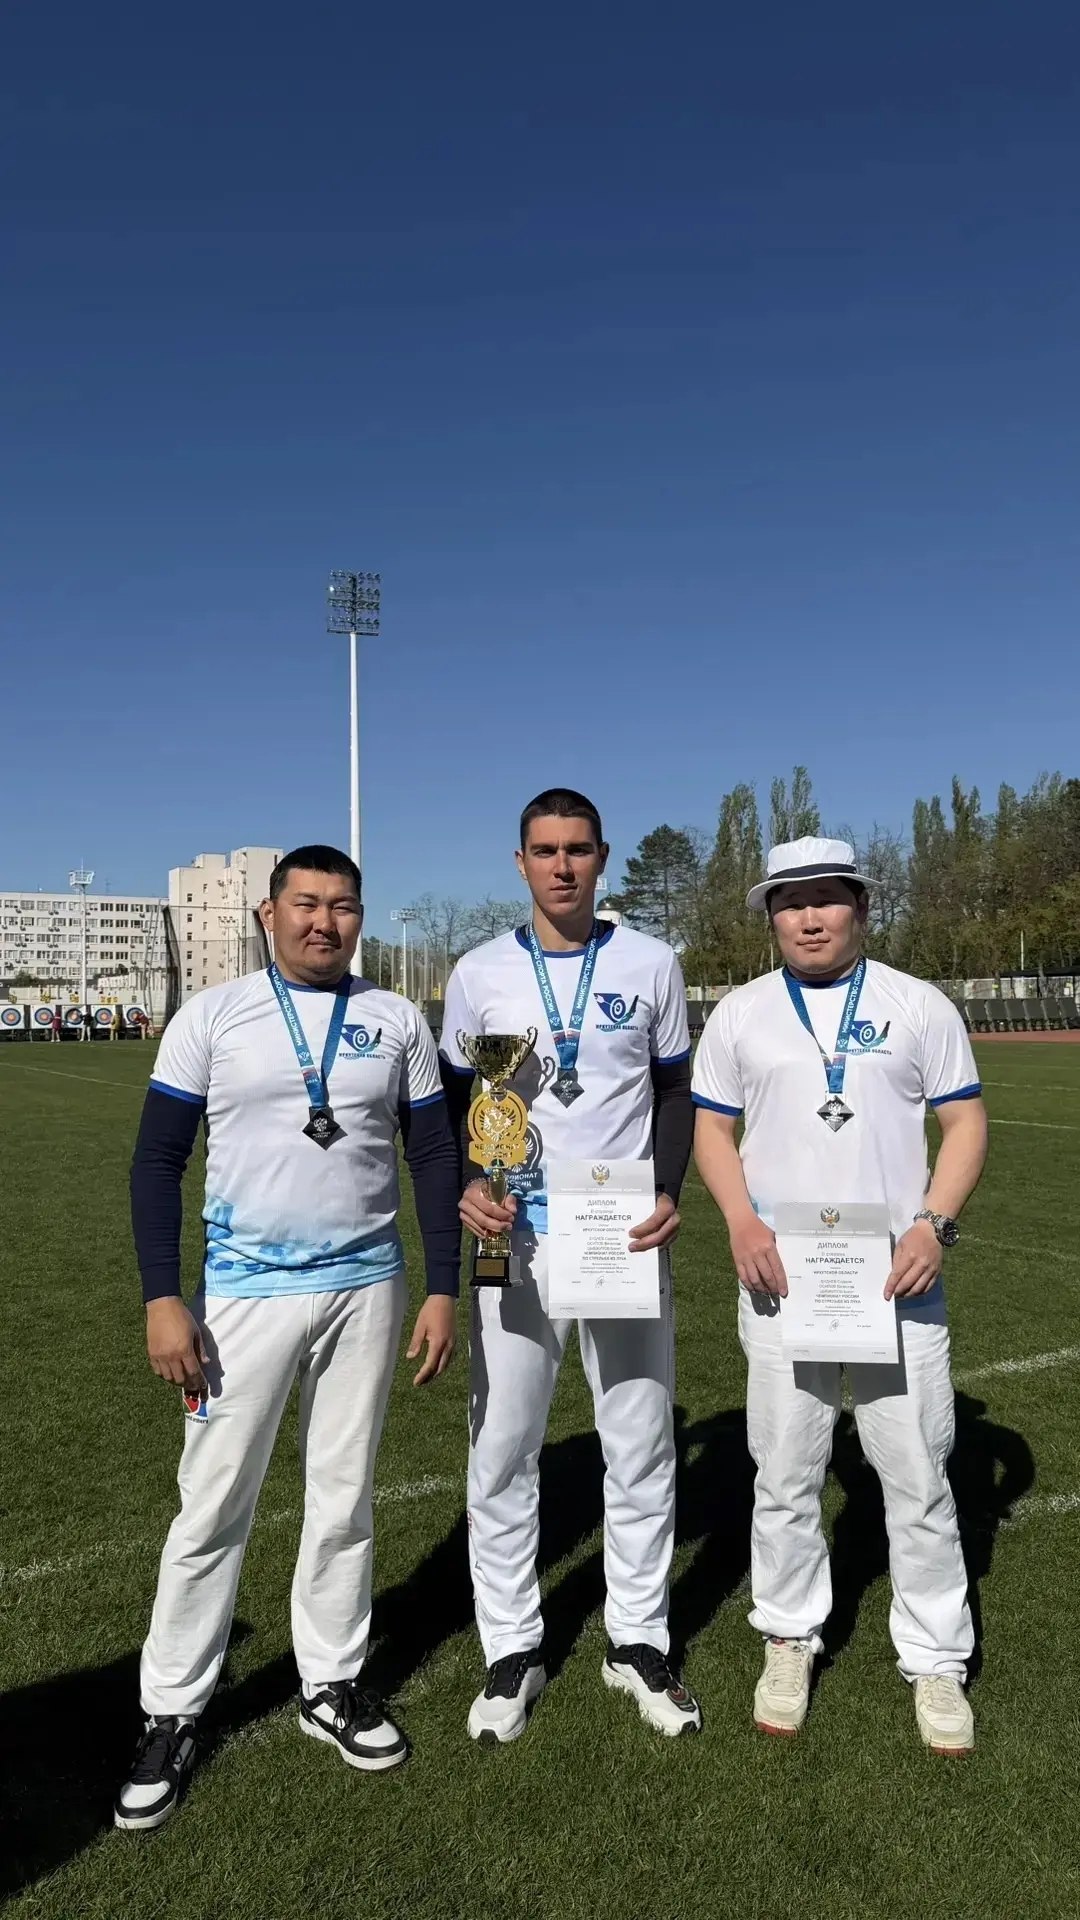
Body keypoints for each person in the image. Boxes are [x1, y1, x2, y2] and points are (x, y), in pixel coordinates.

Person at [115, 845, 461, 1831]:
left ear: (360, 918)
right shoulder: (212, 1017)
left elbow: (435, 1153)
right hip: (240, 1299)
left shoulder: (397, 1019)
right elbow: (156, 1162)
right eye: (305, 904)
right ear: (269, 914)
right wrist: (161, 1298)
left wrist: (444, 1287)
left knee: (344, 1495)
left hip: (366, 1289)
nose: (324, 922)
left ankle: (331, 1682)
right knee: (213, 1503)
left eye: (342, 906)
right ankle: (172, 1708)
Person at [692, 836, 988, 1756]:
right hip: (782, 1281)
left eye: (826, 899)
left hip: (897, 1281)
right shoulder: (740, 1013)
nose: (809, 918)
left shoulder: (917, 1004)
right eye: (791, 903)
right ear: (770, 916)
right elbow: (712, 1131)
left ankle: (935, 1656)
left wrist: (933, 1225)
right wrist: (740, 1221)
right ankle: (789, 1635)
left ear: (860, 907)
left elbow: (964, 1122)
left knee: (919, 1476)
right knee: (784, 1473)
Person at [439, 789, 701, 1744]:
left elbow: (675, 1091)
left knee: (639, 1440)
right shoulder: (477, 973)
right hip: (515, 1237)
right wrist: (470, 1185)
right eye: (544, 850)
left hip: (619, 1232)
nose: (561, 866)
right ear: (520, 862)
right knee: (504, 1445)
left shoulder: (651, 962)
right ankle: (512, 1646)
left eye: (577, 849)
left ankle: (638, 1638)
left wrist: (666, 1188)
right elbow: (464, 1107)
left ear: (601, 857)